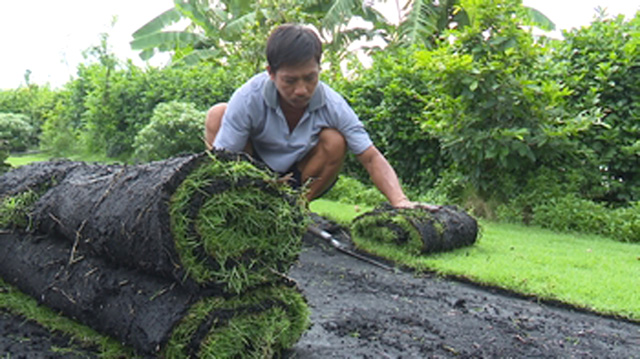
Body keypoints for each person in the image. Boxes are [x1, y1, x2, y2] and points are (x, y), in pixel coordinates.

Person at [205, 23, 437, 210]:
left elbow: (370, 157)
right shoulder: (248, 97)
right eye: (290, 80)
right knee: (218, 114)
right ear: (271, 74)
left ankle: (294, 210)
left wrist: (400, 201)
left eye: (310, 78)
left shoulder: (333, 104)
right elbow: (224, 161)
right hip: (252, 169)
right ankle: (243, 205)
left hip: (297, 176)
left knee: (335, 140)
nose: (302, 90)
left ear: (319, 69)